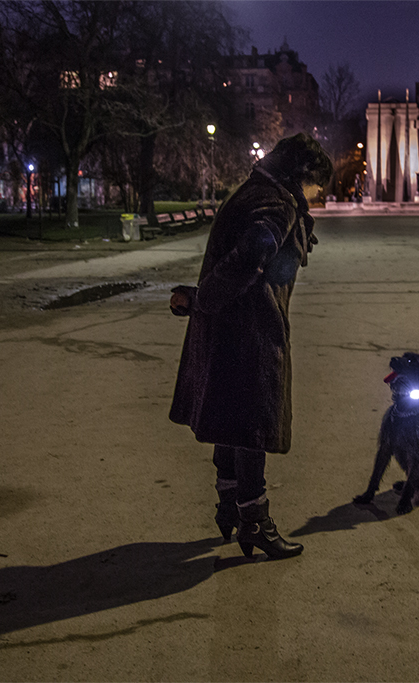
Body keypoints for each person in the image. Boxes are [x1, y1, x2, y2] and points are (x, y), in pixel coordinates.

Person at [169, 134, 333, 560]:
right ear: (303, 177)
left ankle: (228, 505)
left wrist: (203, 298)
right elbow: (253, 252)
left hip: (228, 328)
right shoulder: (276, 203)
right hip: (251, 331)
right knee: (252, 427)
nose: (320, 198)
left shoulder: (256, 192)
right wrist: (206, 297)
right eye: (319, 188)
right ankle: (255, 522)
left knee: (231, 421)